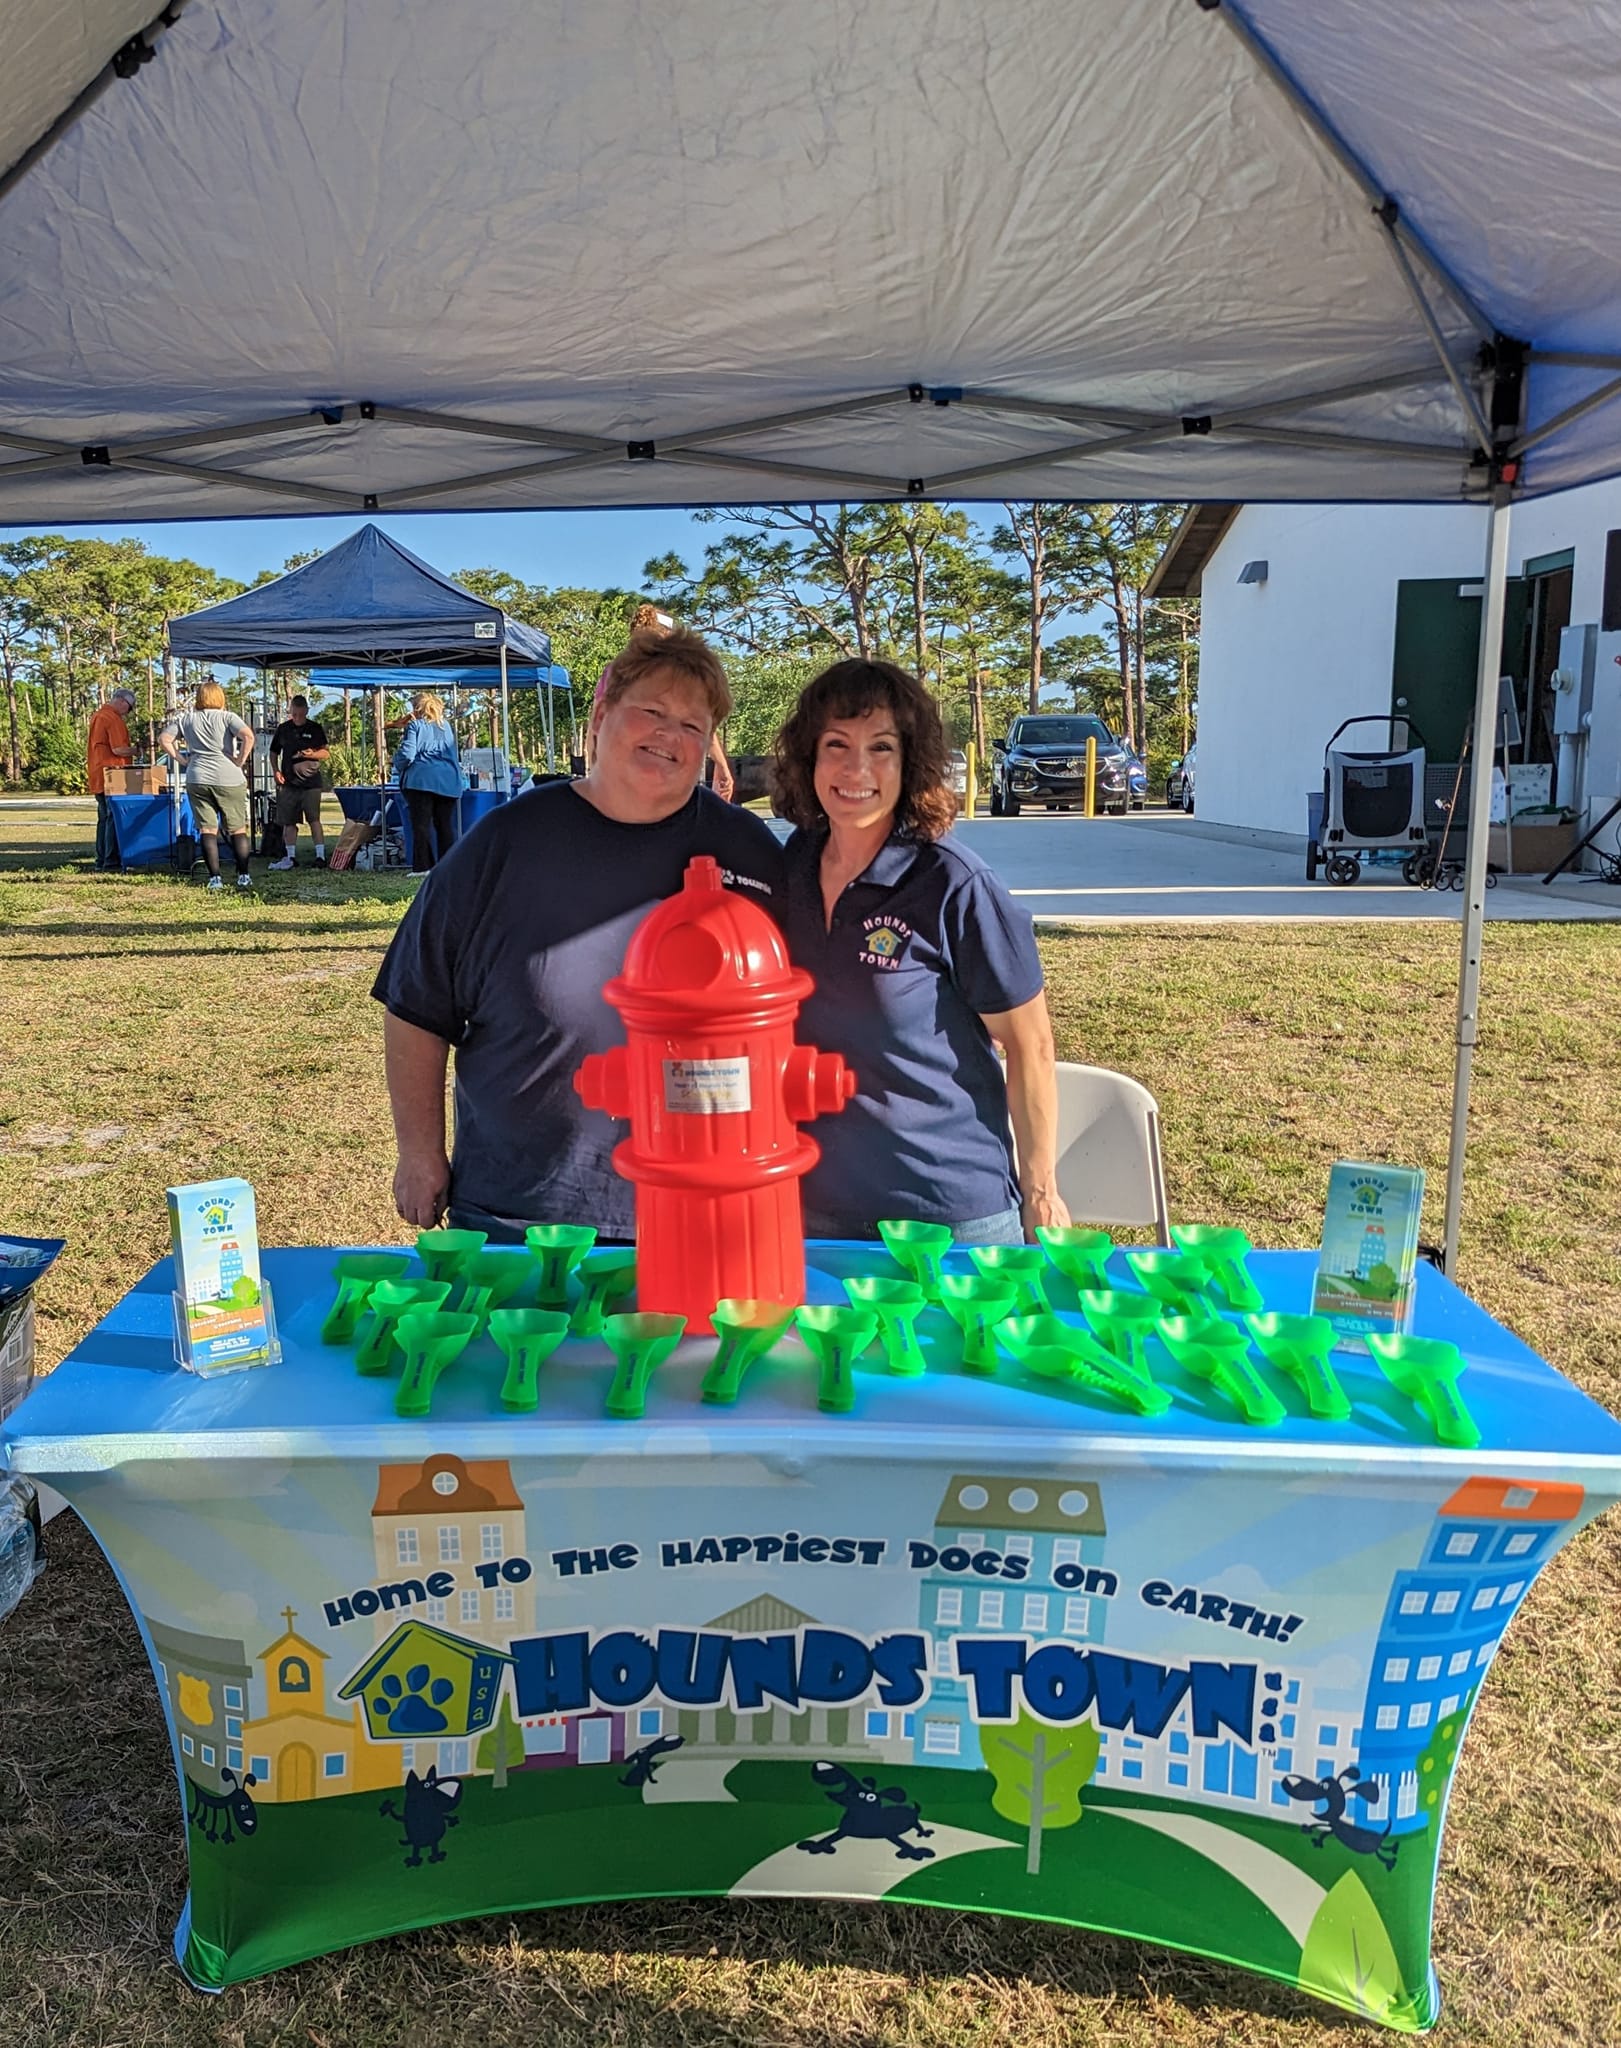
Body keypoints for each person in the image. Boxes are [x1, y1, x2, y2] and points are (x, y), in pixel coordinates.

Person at [373, 627, 782, 1242]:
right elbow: (415, 1005)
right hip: (524, 1208)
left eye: (693, 726)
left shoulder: (748, 853)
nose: (669, 736)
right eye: (651, 711)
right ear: (602, 712)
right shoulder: (502, 845)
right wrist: (420, 1153)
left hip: (699, 1202)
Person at [772, 658, 1070, 1243]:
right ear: (809, 759)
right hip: (815, 1212)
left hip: (950, 1217)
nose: (857, 768)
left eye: (881, 747)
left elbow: (1029, 1043)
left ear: (910, 763)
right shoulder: (790, 869)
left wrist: (1041, 1193)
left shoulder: (954, 882)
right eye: (837, 744)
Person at [588, 604, 735, 800]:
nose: (669, 732)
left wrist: (594, 772)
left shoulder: (615, 672)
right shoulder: (627, 673)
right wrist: (721, 765)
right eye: (652, 712)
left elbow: (594, 729)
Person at [158, 680, 255, 891]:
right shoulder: (228, 717)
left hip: (198, 777)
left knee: (207, 829)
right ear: (220, 697)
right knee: (238, 828)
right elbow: (248, 736)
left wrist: (181, 760)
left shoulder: (187, 719)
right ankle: (244, 875)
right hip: (228, 777)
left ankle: (215, 878)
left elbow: (164, 738)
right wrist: (240, 760)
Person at [392, 692, 461, 874]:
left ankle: (423, 867)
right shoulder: (446, 726)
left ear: (417, 709)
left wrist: (396, 763)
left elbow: (408, 754)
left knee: (421, 826)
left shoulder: (415, 725)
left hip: (420, 781)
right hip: (448, 781)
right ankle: (449, 866)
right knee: (445, 826)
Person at [267, 693, 330, 869]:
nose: (297, 718)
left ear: (306, 711)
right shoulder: (283, 729)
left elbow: (325, 753)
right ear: (291, 711)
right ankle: (290, 856)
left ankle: (320, 856)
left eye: (300, 715)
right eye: (294, 714)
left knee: (314, 819)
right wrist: (275, 770)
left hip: (311, 783)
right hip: (288, 782)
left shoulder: (315, 728)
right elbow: (273, 752)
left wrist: (313, 754)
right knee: (289, 821)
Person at [86, 686, 136, 870]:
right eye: (129, 708)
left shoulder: (98, 715)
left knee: (104, 819)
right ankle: (111, 860)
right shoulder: (112, 718)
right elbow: (118, 749)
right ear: (122, 701)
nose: (128, 712)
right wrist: (138, 750)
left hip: (99, 773)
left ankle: (101, 860)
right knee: (113, 818)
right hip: (113, 774)